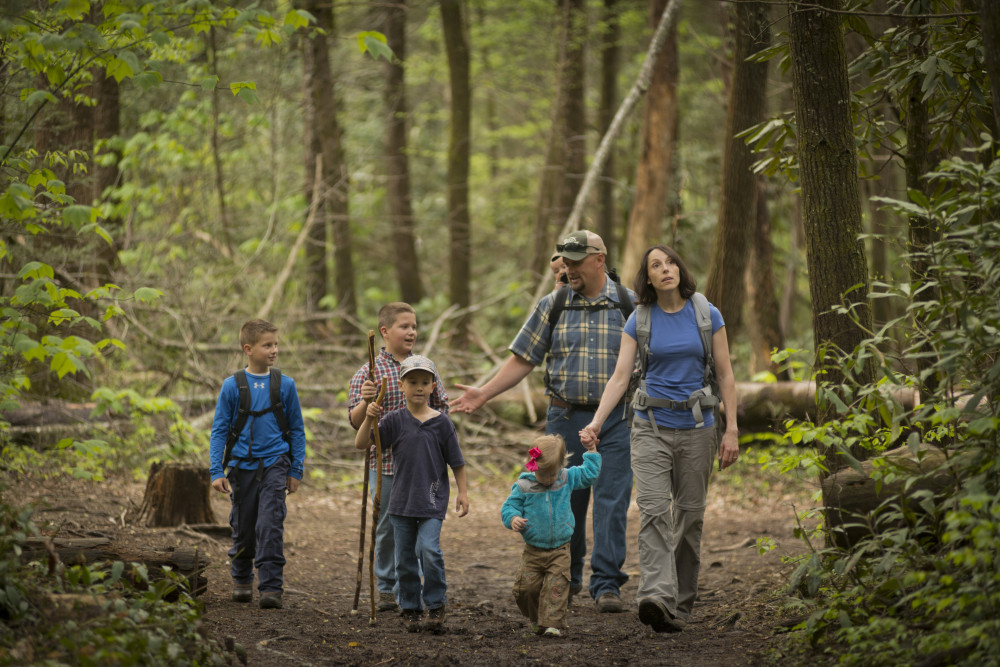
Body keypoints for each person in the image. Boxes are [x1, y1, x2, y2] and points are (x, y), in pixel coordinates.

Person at [452, 229, 635, 613]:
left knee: (611, 500)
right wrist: (484, 393)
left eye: (575, 260)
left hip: (616, 420)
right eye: (564, 261)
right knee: (562, 496)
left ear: (599, 260)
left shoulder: (628, 304)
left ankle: (607, 584)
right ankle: (564, 577)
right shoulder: (553, 303)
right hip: (562, 419)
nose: (567, 268)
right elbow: (523, 358)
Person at [580, 245, 739, 633]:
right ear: (647, 278)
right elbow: (620, 377)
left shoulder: (706, 312)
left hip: (698, 429)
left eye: (670, 263)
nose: (665, 269)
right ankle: (656, 597)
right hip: (649, 426)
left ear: (680, 270)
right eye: (656, 265)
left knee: (689, 517)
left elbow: (725, 373)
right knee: (653, 512)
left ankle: (681, 605)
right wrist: (597, 423)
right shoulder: (640, 318)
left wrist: (731, 428)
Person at [355, 355, 469, 634]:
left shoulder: (441, 423)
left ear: (433, 387)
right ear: (401, 385)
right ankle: (409, 607)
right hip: (401, 499)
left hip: (432, 497)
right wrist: (369, 419)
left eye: (425, 382)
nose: (419, 387)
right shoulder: (394, 420)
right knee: (404, 557)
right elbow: (361, 445)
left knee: (429, 550)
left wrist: (463, 493)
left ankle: (435, 604)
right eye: (413, 382)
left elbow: (456, 461)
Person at [348, 302, 450, 612]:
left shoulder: (423, 368)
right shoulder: (369, 373)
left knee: (420, 526)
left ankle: (412, 584)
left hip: (421, 467)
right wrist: (367, 402)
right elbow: (355, 422)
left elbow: (442, 406)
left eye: (414, 326)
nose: (412, 332)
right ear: (384, 332)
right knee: (388, 527)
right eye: (404, 326)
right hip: (387, 465)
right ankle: (387, 588)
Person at [210, 318, 307, 610]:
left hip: (276, 463)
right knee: (243, 526)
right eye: (268, 345)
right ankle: (241, 579)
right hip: (240, 467)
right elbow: (219, 431)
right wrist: (216, 470)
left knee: (270, 524)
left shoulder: (285, 385)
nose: (274, 350)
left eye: (276, 344)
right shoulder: (232, 386)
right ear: (248, 349)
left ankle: (271, 586)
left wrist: (295, 469)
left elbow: (297, 429)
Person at [501, 434, 602, 637]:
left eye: (551, 474)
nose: (547, 480)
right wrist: (513, 519)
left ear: (561, 465)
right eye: (543, 474)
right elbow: (509, 506)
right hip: (533, 550)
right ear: (533, 464)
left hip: (560, 548)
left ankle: (552, 624)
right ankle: (537, 618)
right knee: (525, 590)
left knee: (556, 587)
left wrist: (591, 451)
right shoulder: (524, 486)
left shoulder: (565, 478)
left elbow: (589, 474)